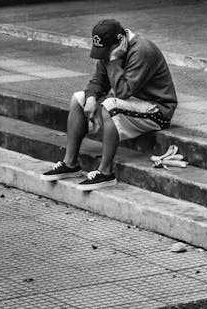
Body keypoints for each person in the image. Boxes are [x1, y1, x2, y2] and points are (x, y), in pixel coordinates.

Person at [41, 18, 178, 191]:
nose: (104, 55)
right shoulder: (110, 49)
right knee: (78, 98)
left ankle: (106, 172)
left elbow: (123, 92)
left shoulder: (142, 50)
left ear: (121, 40)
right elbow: (99, 81)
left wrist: (114, 61)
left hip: (158, 110)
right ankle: (70, 164)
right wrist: (91, 97)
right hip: (131, 105)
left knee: (110, 105)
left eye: (107, 51)